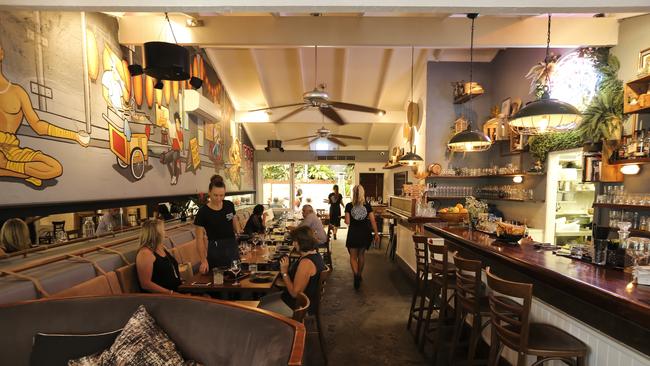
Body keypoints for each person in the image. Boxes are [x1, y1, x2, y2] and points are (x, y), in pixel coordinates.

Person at [0, 41, 90, 187]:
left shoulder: (18, 92)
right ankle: (23, 171)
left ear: (1, 53)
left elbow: (38, 126)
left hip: (13, 151)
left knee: (55, 168)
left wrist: (75, 135)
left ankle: (7, 166)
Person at [259, 226, 327, 317]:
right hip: (303, 301)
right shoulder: (314, 254)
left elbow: (295, 294)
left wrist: (284, 272)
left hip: (298, 306)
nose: (293, 244)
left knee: (258, 308)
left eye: (295, 241)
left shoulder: (306, 263)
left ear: (303, 242)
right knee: (263, 300)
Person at [195, 175, 241, 273]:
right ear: (209, 193)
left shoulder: (229, 205)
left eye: (221, 195)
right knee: (218, 280)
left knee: (236, 276)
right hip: (215, 250)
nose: (218, 198)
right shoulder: (203, 212)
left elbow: (233, 219)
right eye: (215, 195)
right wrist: (203, 260)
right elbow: (199, 240)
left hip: (232, 246)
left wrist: (238, 231)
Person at [345, 185, 379, 290]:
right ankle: (359, 275)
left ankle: (355, 274)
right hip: (365, 233)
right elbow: (373, 221)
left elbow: (347, 222)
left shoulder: (349, 206)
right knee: (361, 255)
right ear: (362, 194)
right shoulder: (367, 206)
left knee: (353, 257)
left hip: (353, 233)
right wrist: (376, 234)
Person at [135, 219, 181, 294]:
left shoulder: (162, 247)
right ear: (156, 234)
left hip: (176, 291)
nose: (164, 232)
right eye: (163, 230)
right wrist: (171, 293)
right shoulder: (145, 253)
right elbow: (145, 284)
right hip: (162, 297)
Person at [160, 112, 184, 185]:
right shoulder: (174, 131)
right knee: (164, 158)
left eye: (177, 122)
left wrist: (177, 137)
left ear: (179, 124)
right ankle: (174, 174)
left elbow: (181, 147)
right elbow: (171, 137)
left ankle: (174, 177)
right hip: (173, 150)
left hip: (177, 151)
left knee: (174, 159)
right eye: (175, 122)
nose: (176, 124)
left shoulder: (180, 133)